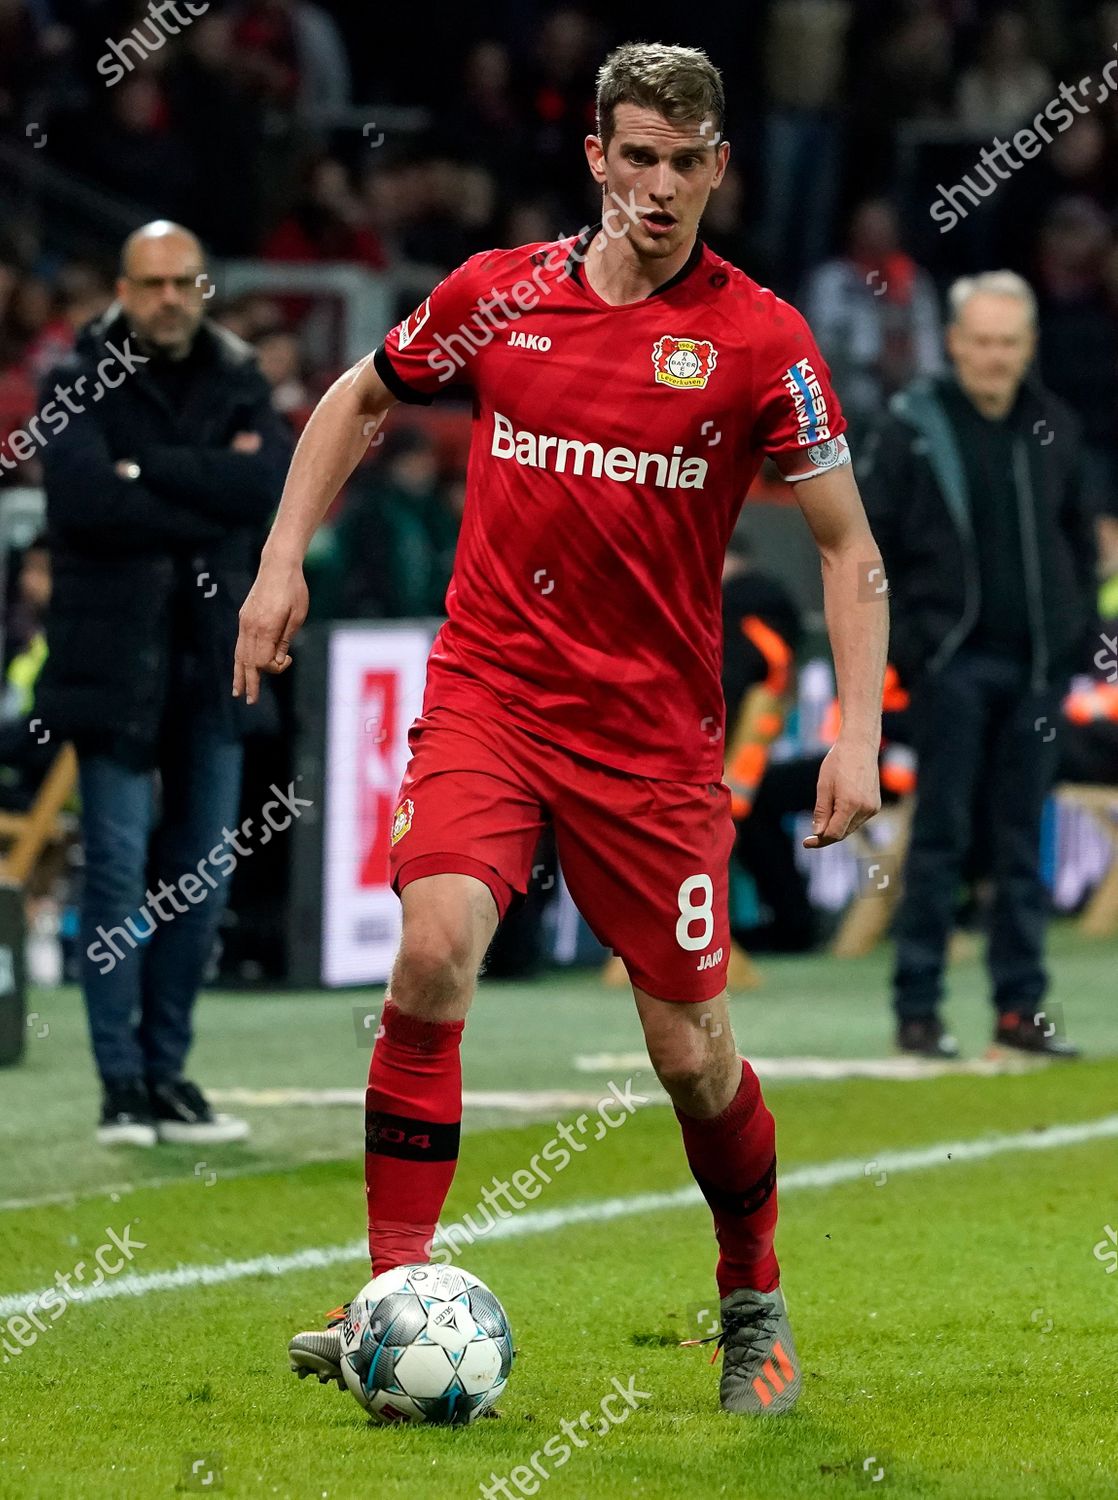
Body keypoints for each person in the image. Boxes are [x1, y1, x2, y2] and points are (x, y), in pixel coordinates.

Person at [235, 42, 886, 1417]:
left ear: (718, 169)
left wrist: (848, 732)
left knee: (689, 1054)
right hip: (491, 694)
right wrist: (282, 555)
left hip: (649, 742)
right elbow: (360, 398)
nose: (656, 187)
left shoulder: (762, 339)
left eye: (683, 162)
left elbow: (845, 546)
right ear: (594, 155)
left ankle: (750, 1298)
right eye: (633, 156)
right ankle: (388, 1293)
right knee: (427, 954)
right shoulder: (498, 295)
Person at [37, 219, 290, 1145]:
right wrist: (205, 486)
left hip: (212, 662)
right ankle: (121, 1086)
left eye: (186, 281)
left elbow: (264, 490)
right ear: (123, 288)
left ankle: (169, 1074)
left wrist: (150, 474)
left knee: (203, 878)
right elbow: (84, 502)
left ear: (205, 286)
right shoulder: (75, 377)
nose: (171, 299)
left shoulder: (239, 375)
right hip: (113, 665)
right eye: (153, 284)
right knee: (114, 876)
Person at [861, 271, 1097, 1060]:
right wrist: (914, 649)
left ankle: (1018, 1008)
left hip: (1033, 669)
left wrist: (1070, 643)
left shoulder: (1054, 425)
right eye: (982, 341)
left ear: (1028, 346)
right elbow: (868, 544)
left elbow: (1075, 541)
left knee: (1023, 840)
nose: (995, 358)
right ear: (954, 342)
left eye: (1009, 343)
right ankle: (918, 1009)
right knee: (941, 837)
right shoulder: (913, 427)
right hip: (952, 669)